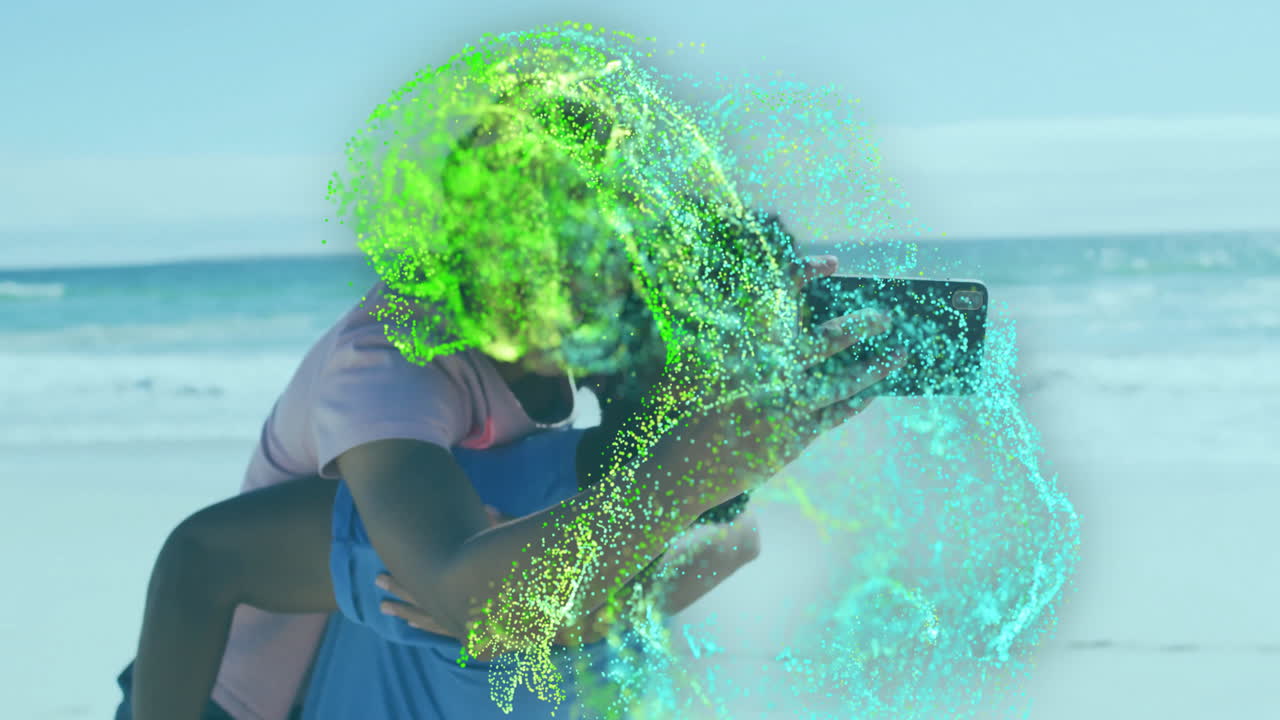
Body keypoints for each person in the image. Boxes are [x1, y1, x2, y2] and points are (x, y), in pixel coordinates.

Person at [116, 65, 908, 718]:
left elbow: (732, 534)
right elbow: (200, 562)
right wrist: (693, 468)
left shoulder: (579, 340)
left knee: (560, 565)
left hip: (355, 660)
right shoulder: (394, 358)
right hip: (215, 695)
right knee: (513, 565)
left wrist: (586, 598)